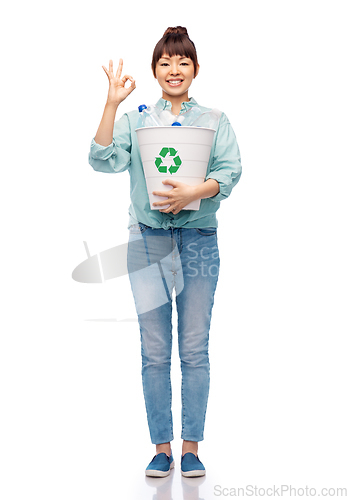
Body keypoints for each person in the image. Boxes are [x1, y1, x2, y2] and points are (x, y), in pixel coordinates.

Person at [88, 26, 242, 478]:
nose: (174, 70)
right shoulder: (136, 120)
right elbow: (101, 159)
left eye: (183, 62)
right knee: (155, 349)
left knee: (194, 347)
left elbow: (230, 171)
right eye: (165, 62)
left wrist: (197, 188)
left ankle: (191, 447)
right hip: (148, 240)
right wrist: (112, 103)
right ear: (155, 70)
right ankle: (161, 448)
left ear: (195, 69)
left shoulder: (215, 119)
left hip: (198, 240)